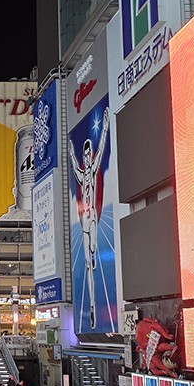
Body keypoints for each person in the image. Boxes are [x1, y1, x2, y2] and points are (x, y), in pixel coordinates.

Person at [69, 107, 109, 329]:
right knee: (86, 262)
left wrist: (104, 128)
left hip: (92, 216)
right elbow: (74, 164)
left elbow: (102, 148)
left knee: (93, 250)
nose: (86, 157)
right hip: (83, 220)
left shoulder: (92, 170)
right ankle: (92, 307)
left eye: (87, 153)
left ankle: (94, 254)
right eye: (84, 155)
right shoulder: (81, 172)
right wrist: (71, 151)